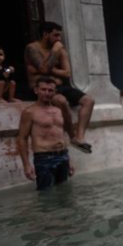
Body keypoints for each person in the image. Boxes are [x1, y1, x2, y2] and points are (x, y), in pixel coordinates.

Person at [25, 21, 94, 153]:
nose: (59, 39)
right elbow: (44, 69)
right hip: (42, 87)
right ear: (46, 34)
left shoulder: (61, 50)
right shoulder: (32, 48)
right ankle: (72, 136)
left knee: (89, 101)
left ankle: (80, 137)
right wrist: (54, 52)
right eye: (56, 35)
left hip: (62, 86)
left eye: (59, 36)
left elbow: (67, 73)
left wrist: (48, 70)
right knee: (61, 101)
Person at [16, 77, 74, 190]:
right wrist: (26, 165)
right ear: (36, 90)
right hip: (44, 158)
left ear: (55, 92)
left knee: (65, 192)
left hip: (63, 155)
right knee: (46, 195)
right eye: (43, 89)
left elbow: (61, 135)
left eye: (50, 90)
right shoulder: (30, 112)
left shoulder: (58, 110)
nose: (47, 93)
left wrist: (69, 161)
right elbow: (22, 139)